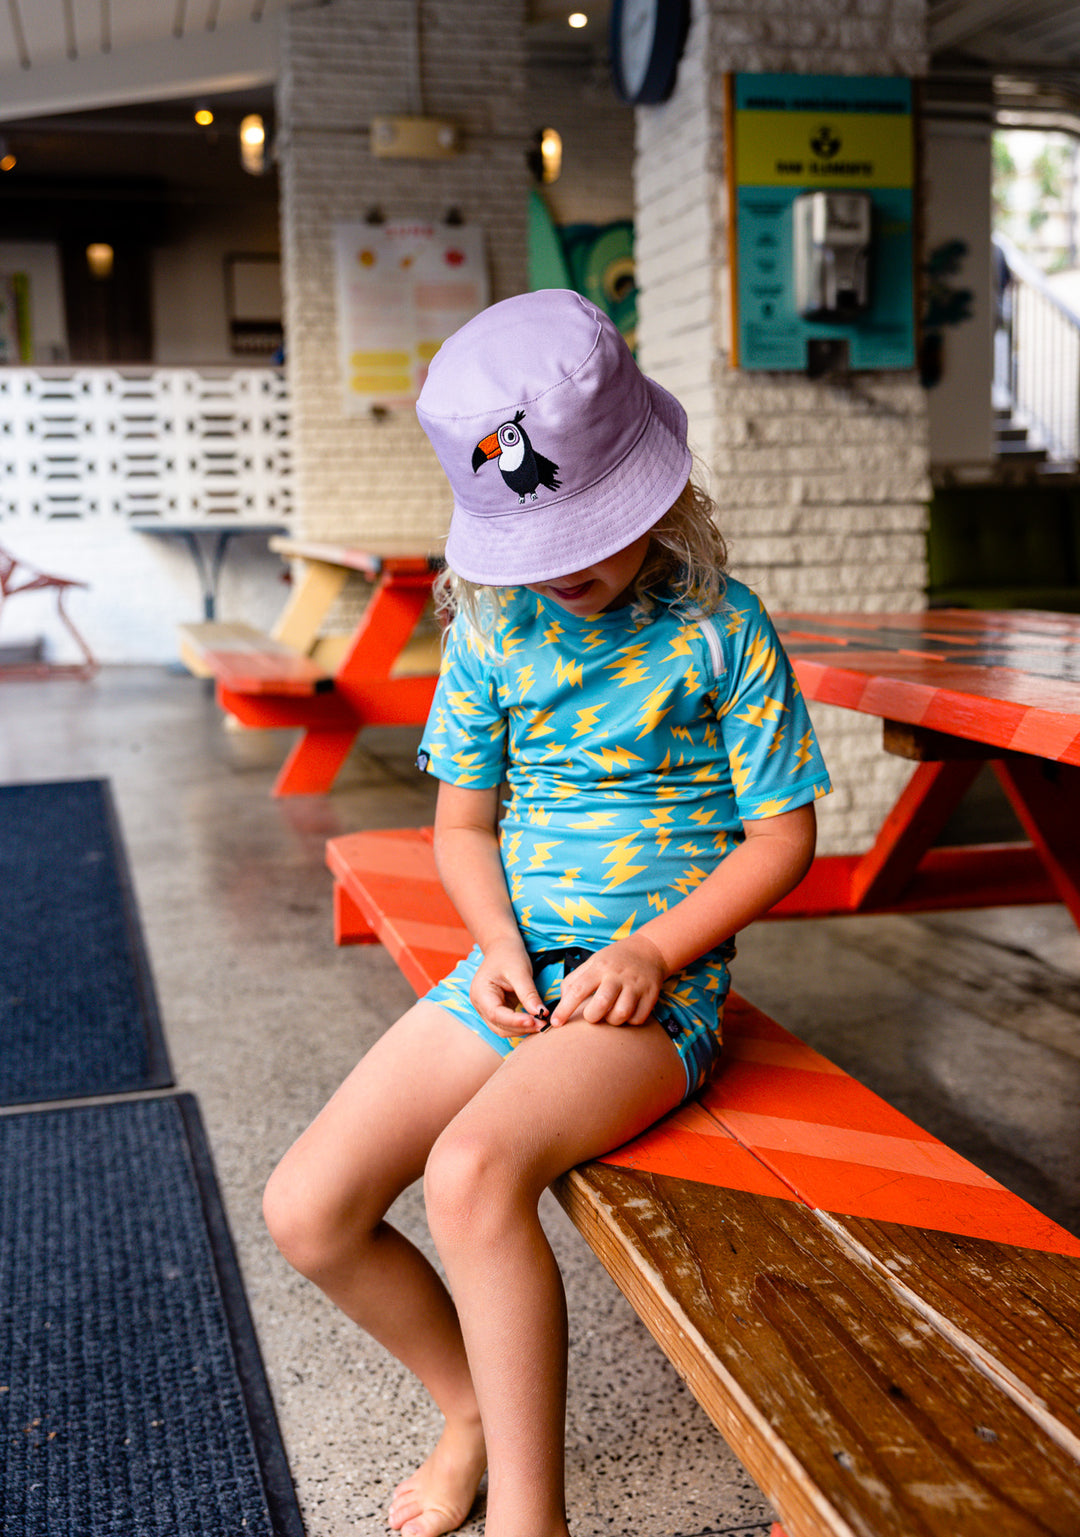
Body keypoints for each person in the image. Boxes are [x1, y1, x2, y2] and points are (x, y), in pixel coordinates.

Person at [263, 290, 831, 1537]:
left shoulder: (718, 630)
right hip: (514, 970)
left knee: (470, 1172)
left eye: (598, 530)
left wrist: (653, 948)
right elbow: (462, 826)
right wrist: (499, 947)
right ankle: (467, 1409)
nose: (572, 568)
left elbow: (785, 836)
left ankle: (533, 1519)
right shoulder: (492, 633)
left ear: (657, 487)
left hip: (652, 991)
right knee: (306, 1209)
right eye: (544, 542)